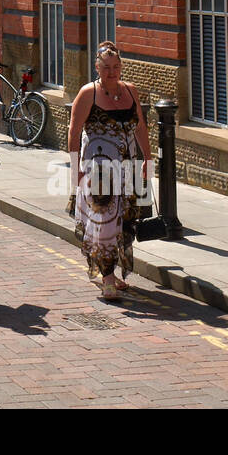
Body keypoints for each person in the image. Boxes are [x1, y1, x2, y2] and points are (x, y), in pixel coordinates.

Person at [67, 42, 149, 301]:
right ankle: (108, 278)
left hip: (129, 167)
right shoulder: (87, 93)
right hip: (99, 171)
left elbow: (141, 128)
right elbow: (73, 132)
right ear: (97, 67)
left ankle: (110, 271)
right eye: (106, 67)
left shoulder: (131, 91)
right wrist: (74, 170)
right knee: (103, 223)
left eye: (116, 67)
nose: (112, 72)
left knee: (125, 220)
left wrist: (147, 158)